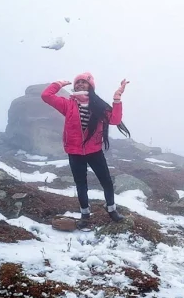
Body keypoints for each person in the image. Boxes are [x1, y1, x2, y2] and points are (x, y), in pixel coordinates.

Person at [41, 72, 131, 226]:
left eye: (84, 82)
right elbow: (46, 95)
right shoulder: (68, 105)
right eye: (78, 82)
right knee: (81, 185)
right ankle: (85, 215)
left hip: (94, 151)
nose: (80, 84)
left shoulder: (98, 106)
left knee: (106, 182)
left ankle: (111, 210)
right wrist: (58, 83)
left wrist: (117, 97)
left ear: (91, 86)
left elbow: (115, 119)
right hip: (75, 153)